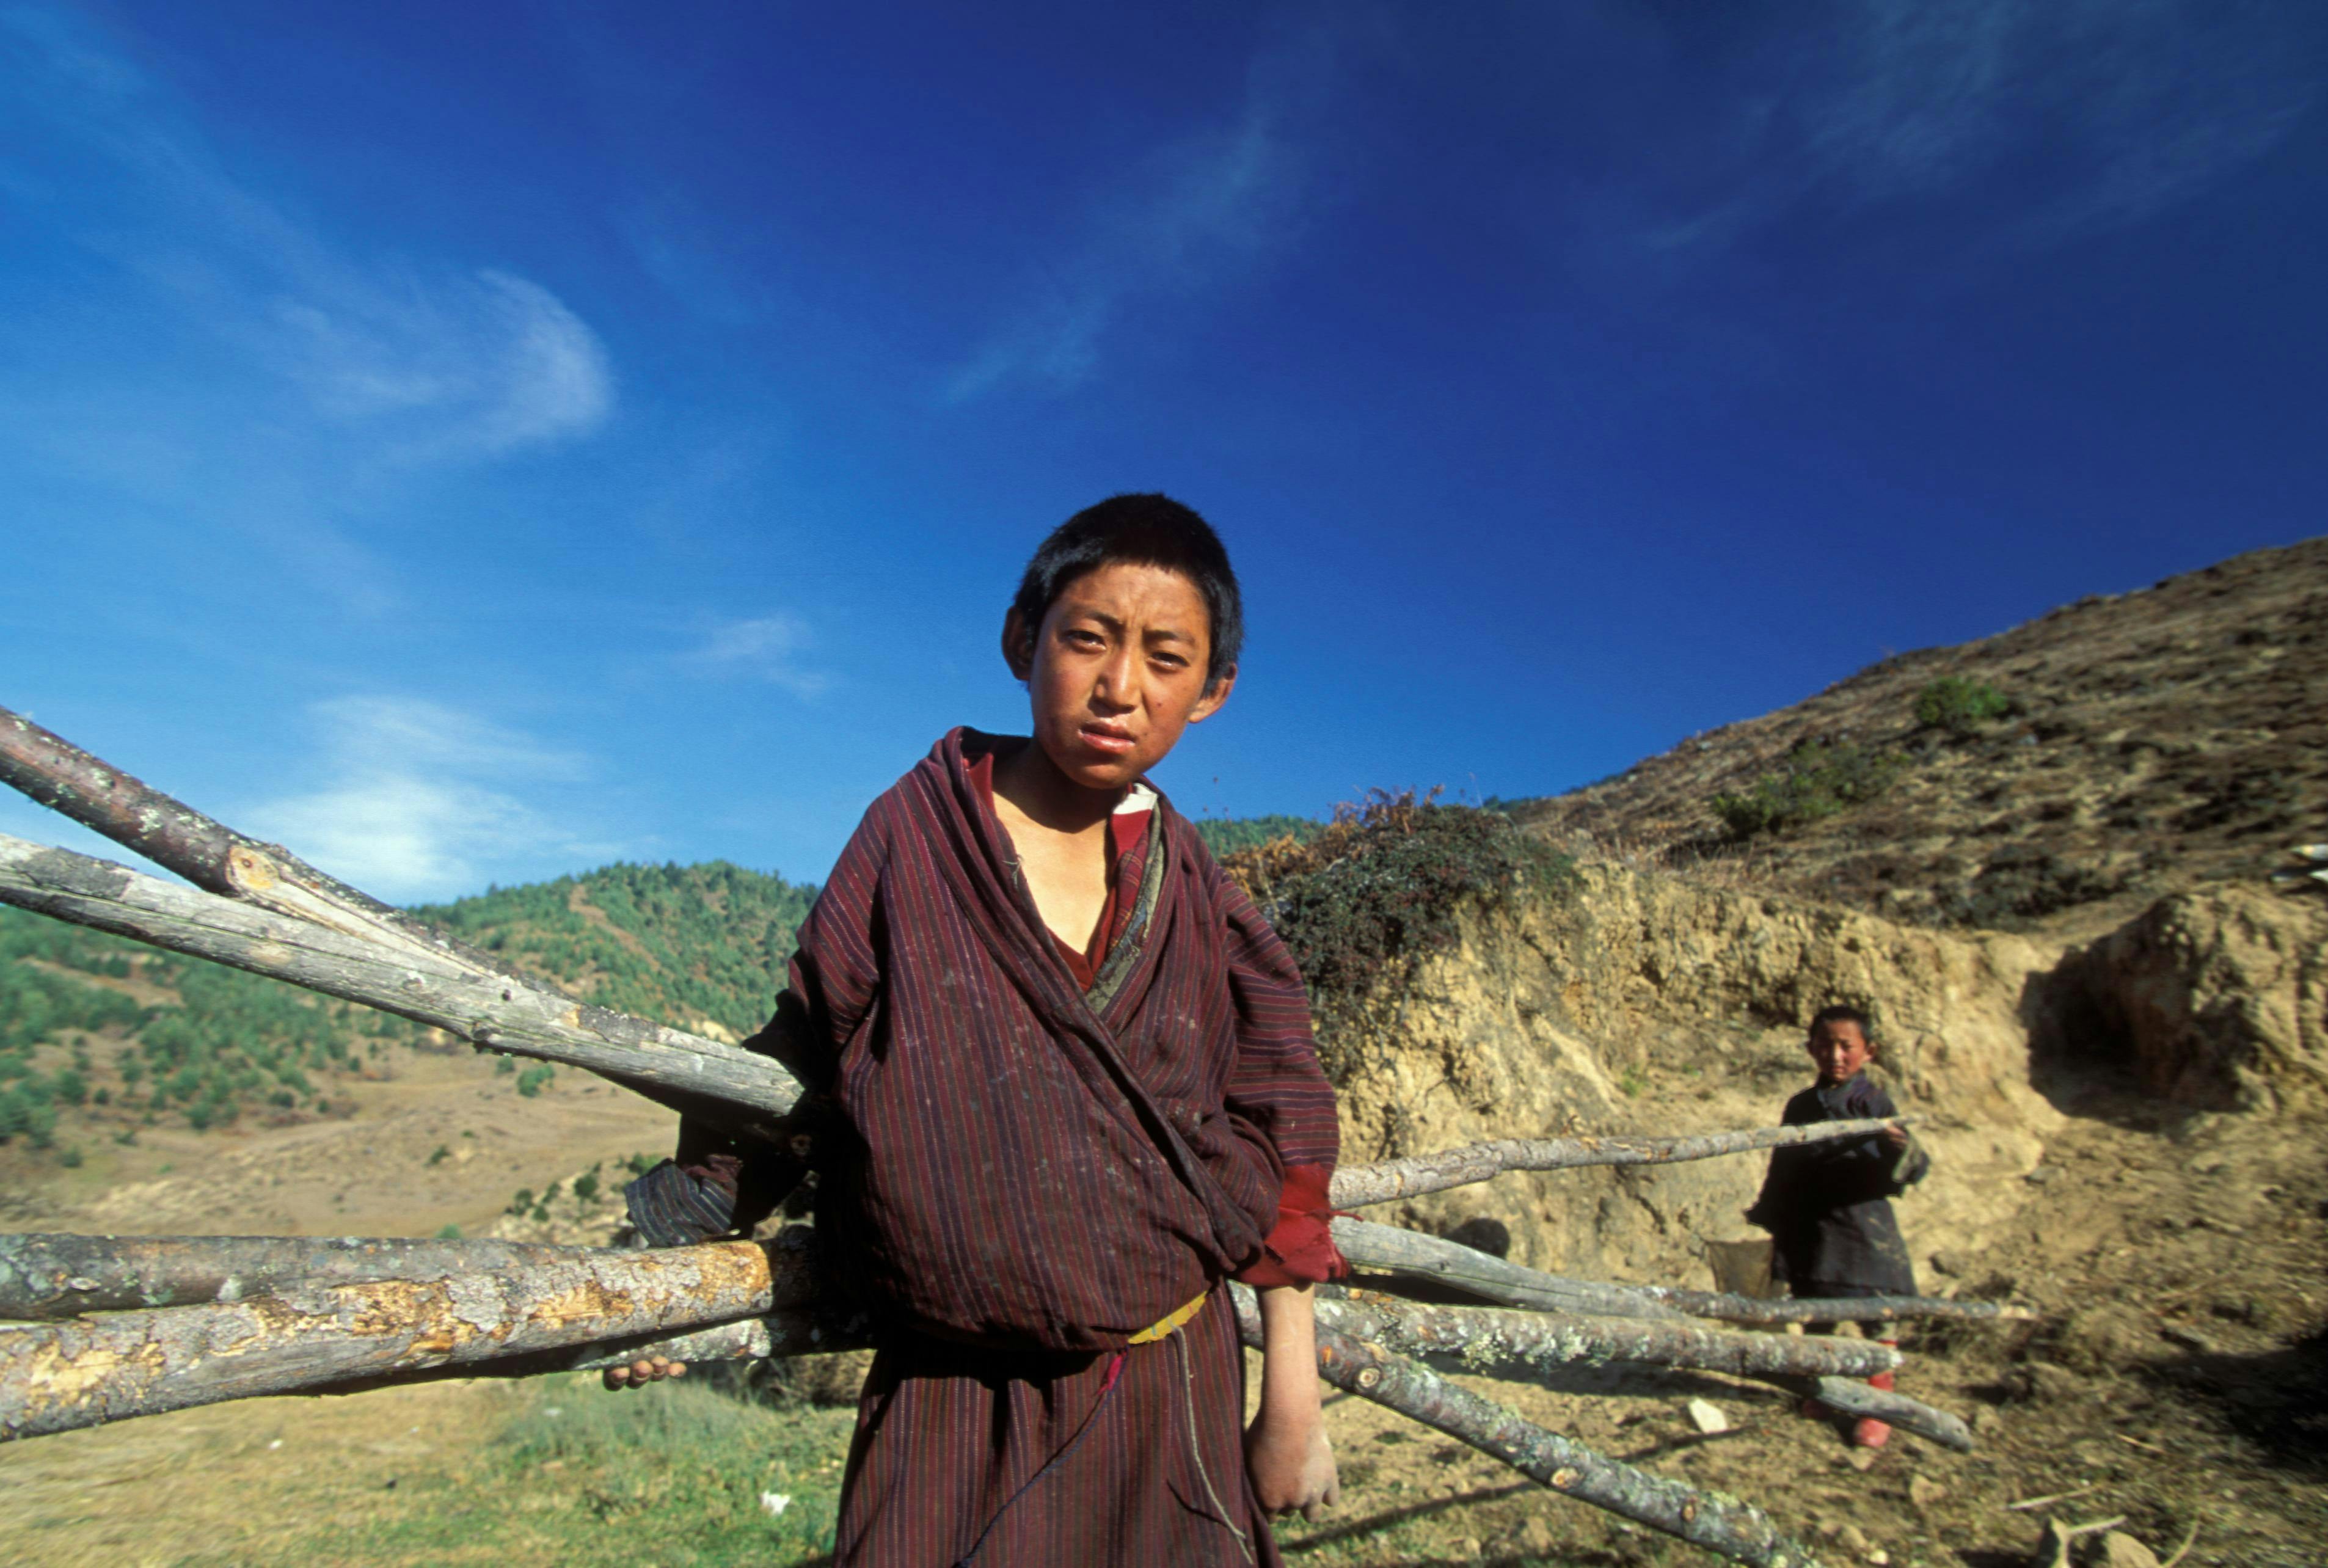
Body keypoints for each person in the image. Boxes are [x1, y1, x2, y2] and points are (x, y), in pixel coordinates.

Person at [615, 494, 1345, 1566]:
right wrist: (669, 1257)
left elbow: (1278, 1129)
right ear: (1022, 640)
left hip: (1167, 1392)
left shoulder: (1199, 896)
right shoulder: (917, 836)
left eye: (1165, 657)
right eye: (1086, 638)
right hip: (945, 1393)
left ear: (1212, 692)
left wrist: (1293, 1403)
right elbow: (804, 1050)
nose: (1119, 687)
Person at [1743, 1003, 1930, 1449]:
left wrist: (1897, 1148)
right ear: (1810, 1048)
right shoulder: (1801, 1104)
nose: (1835, 1055)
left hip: (1862, 1221)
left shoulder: (1873, 1102)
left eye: (1846, 1046)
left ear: (1868, 1051)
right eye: (1825, 1045)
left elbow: (1911, 1162)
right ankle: (1821, 1392)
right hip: (1811, 1222)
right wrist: (1770, 1209)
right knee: (1815, 1310)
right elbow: (1782, 1164)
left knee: (1875, 1312)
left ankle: (1877, 1404)